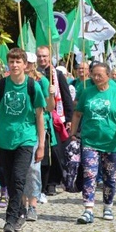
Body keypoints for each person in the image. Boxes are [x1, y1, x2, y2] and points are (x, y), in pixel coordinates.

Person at [0, 48, 46, 232]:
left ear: (25, 64)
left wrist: (41, 144)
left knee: (19, 178)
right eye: (11, 62)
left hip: (25, 138)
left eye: (18, 62)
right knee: (9, 178)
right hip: (4, 138)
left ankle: (9, 220)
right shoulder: (1, 85)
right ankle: (20, 210)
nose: (14, 65)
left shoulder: (32, 86)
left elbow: (39, 116)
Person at [70, 62, 116, 223]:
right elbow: (77, 114)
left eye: (99, 75)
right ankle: (88, 209)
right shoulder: (87, 92)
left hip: (111, 142)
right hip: (90, 141)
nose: (96, 78)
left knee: (109, 177)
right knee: (90, 174)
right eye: (93, 74)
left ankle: (108, 206)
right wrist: (73, 134)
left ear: (108, 76)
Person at [35, 45, 74, 197]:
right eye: (39, 56)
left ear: (49, 57)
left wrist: (69, 119)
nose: (42, 59)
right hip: (40, 117)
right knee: (42, 153)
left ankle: (52, 182)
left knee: (55, 153)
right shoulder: (34, 75)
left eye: (44, 56)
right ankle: (42, 184)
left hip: (57, 119)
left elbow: (66, 97)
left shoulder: (57, 75)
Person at [23, 52, 55, 222]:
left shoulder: (41, 81)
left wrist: (50, 94)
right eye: (25, 62)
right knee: (20, 170)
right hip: (19, 130)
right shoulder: (13, 80)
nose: (27, 65)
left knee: (33, 170)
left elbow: (49, 108)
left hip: (35, 129)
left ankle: (33, 205)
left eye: (29, 63)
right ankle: (21, 205)